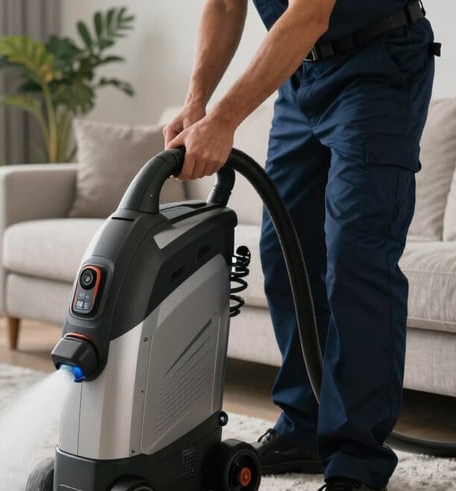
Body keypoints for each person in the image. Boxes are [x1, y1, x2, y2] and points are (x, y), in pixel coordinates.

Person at [163, 0, 438, 490]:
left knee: (357, 256)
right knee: (283, 249)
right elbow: (225, 3)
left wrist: (224, 119)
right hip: (301, 75)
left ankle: (356, 461)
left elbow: (310, 13)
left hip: (377, 66)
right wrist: (196, 101)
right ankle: (304, 429)